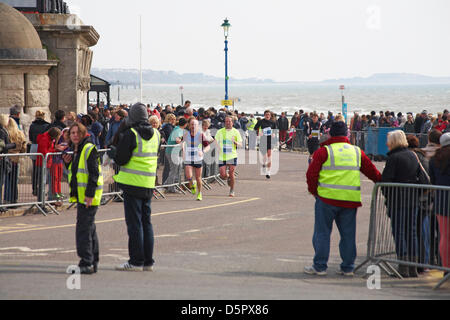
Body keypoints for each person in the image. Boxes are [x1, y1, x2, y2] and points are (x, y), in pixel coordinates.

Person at [305, 121, 381, 276]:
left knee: (322, 233)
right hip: (350, 200)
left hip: (326, 199)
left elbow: (311, 174)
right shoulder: (356, 151)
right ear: (347, 135)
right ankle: (348, 267)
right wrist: (386, 183)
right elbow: (372, 172)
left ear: (330, 134)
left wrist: (314, 192)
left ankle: (320, 267)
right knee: (348, 235)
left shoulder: (324, 151)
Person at [110, 103, 159, 271]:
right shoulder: (157, 135)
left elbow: (121, 159)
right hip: (148, 183)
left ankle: (135, 261)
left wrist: (113, 153)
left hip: (132, 183)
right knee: (147, 222)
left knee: (134, 224)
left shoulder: (131, 134)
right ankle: (147, 262)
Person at [62, 122, 103, 274]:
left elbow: (93, 173)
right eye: (72, 133)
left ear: (83, 133)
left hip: (88, 195)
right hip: (83, 194)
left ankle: (86, 261)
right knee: (89, 228)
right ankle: (92, 261)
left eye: (77, 133)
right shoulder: (77, 150)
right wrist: (68, 164)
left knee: (83, 229)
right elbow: (76, 173)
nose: (74, 135)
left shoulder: (88, 148)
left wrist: (89, 194)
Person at [381, 130, 422, 277]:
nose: (387, 144)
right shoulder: (413, 155)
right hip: (412, 199)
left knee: (399, 232)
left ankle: (403, 267)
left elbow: (386, 181)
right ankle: (413, 267)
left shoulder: (394, 158)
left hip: (398, 200)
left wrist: (387, 195)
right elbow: (422, 178)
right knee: (411, 233)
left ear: (393, 142)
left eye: (389, 141)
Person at [429, 133, 450, 278]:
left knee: (444, 236)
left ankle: (446, 268)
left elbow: (433, 179)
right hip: (443, 197)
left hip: (441, 199)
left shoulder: (434, 159)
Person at [214, 116, 243, 197]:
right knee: (222, 175)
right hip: (222, 156)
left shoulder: (236, 132)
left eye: (229, 121)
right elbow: (215, 141)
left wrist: (235, 143)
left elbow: (241, 144)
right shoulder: (220, 131)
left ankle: (232, 190)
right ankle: (228, 178)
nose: (228, 123)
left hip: (232, 155)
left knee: (231, 172)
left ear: (232, 123)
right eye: (226, 121)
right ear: (224, 122)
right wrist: (217, 146)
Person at [182, 119, 210, 201]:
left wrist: (203, 151)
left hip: (198, 158)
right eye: (192, 124)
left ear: (198, 126)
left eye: (195, 125)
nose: (193, 126)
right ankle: (192, 183)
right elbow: (181, 142)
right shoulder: (186, 134)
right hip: (188, 158)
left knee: (198, 177)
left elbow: (207, 146)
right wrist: (181, 146)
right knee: (189, 176)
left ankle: (199, 193)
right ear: (189, 126)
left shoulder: (200, 135)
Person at [3, 117, 26, 204]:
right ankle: (14, 199)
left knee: (7, 180)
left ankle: (7, 199)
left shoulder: (6, 133)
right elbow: (24, 146)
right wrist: (21, 151)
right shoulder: (19, 133)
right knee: (14, 180)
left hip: (8, 157)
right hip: (16, 158)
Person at [163, 118, 188, 193]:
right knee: (174, 170)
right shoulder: (178, 130)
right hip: (172, 152)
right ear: (185, 124)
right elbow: (177, 140)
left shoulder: (177, 129)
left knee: (175, 169)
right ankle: (170, 187)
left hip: (172, 152)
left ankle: (167, 184)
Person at [29, 110, 50, 196]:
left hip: (34, 146)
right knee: (43, 169)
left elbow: (30, 137)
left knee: (35, 169)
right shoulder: (47, 125)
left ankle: (34, 188)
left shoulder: (32, 125)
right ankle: (42, 189)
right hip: (43, 146)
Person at [254, 110, 277, 179]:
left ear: (270, 115)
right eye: (266, 114)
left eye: (268, 115)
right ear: (264, 115)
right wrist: (259, 133)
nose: (267, 116)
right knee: (264, 156)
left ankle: (268, 172)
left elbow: (275, 131)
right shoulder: (261, 121)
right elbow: (255, 128)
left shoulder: (273, 122)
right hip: (263, 140)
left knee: (269, 156)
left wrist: (274, 134)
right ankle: (264, 164)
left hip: (270, 141)